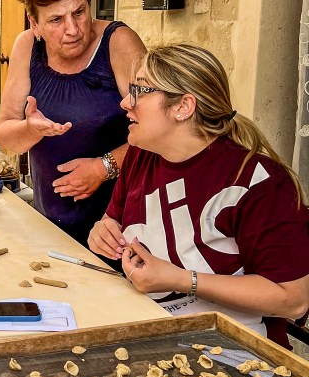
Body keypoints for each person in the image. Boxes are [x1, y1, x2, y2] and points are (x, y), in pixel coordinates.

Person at [88, 43, 309, 339]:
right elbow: (112, 220)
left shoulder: (259, 183)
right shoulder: (142, 155)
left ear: (183, 107)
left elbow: (294, 299)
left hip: (234, 351)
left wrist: (183, 280)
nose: (125, 102)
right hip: (150, 331)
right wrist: (103, 231)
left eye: (139, 90)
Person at [0, 0, 146, 247]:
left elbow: (162, 134)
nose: (73, 29)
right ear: (34, 23)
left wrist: (104, 167)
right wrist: (30, 129)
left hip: (119, 228)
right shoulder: (27, 46)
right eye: (56, 20)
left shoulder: (119, 43)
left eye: (79, 12)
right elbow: (6, 138)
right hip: (50, 223)